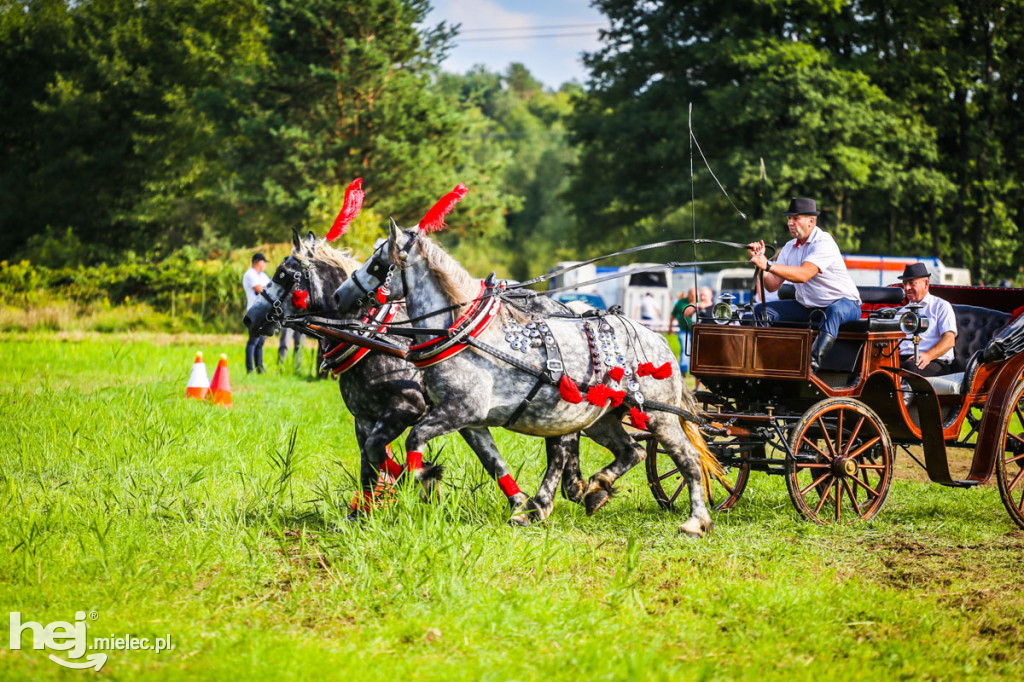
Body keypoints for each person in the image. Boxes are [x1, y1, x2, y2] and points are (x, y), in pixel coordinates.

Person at [747, 197, 862, 371]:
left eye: (795, 218)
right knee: (761, 311)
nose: (790, 223)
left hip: (845, 304)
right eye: (789, 219)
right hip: (809, 307)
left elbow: (803, 275)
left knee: (834, 310)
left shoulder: (824, 243)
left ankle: (811, 365)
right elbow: (772, 286)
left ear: (811, 221)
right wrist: (760, 263)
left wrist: (768, 264)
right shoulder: (789, 247)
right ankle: (766, 362)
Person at [896, 262, 957, 376]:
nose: (907, 288)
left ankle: (904, 392)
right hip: (904, 360)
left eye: (912, 283)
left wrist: (928, 355)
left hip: (933, 361)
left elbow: (949, 340)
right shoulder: (901, 312)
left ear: (926, 283)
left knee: (909, 367)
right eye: (904, 284)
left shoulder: (941, 306)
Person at [243, 252, 271, 374]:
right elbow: (261, 290)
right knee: (253, 341)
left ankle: (260, 368)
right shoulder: (250, 274)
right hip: (254, 311)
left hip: (264, 311)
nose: (265, 264)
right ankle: (250, 369)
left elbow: (272, 288)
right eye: (263, 261)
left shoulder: (263, 276)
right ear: (257, 261)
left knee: (260, 342)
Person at [669, 288, 697, 375]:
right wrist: (670, 327)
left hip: (696, 330)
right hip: (683, 329)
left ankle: (694, 369)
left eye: (694, 295)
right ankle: (684, 369)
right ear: (688, 294)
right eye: (691, 295)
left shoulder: (700, 302)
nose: (693, 297)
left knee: (695, 350)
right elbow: (673, 314)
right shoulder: (681, 302)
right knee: (685, 348)